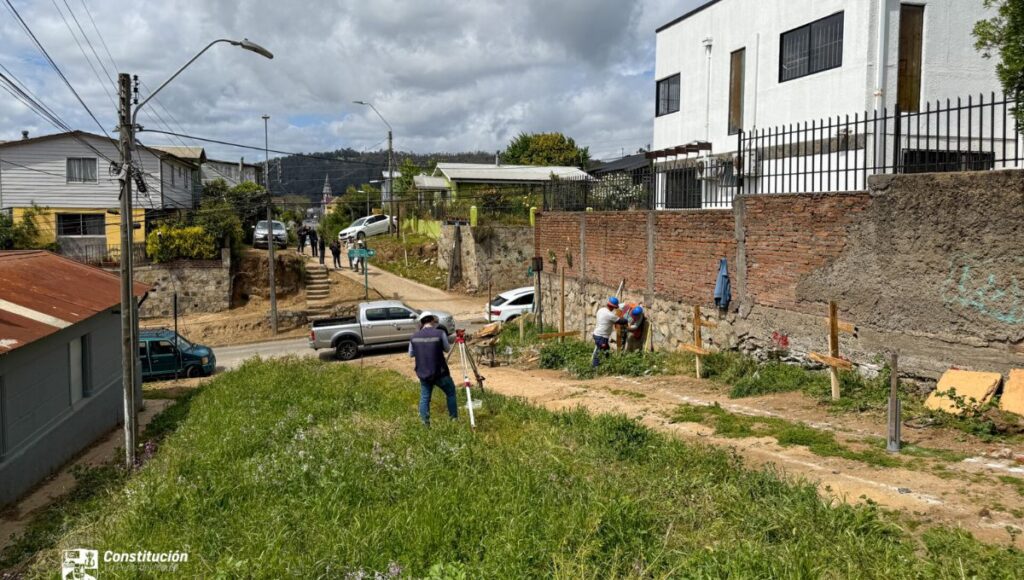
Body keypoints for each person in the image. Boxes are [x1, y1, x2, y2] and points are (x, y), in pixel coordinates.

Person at [408, 311, 458, 425]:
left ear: (421, 323)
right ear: (432, 320)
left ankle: (425, 423)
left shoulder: (414, 336)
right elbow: (447, 349)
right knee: (450, 393)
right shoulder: (440, 333)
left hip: (423, 372)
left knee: (425, 397)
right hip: (440, 372)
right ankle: (453, 420)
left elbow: (411, 354)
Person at [592, 297, 625, 367]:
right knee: (599, 351)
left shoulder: (601, 310)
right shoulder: (610, 315)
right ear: (613, 307)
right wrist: (627, 319)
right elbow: (621, 321)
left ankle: (607, 365)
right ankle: (595, 368)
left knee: (606, 350)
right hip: (602, 336)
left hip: (597, 334)